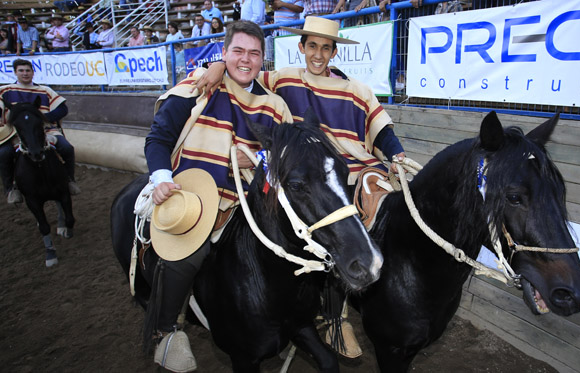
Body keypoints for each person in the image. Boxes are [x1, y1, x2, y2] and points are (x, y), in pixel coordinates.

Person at [196, 16, 406, 359]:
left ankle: (346, 315)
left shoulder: (357, 89)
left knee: (373, 215)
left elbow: (380, 128)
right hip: (306, 174)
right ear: (301, 47)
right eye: (312, 46)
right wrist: (218, 64)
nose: (318, 54)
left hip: (348, 170)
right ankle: (329, 319)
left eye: (325, 48)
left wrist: (395, 153)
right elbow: (242, 70)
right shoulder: (282, 79)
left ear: (335, 51)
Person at [142, 20, 292, 372]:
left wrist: (257, 159)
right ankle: (165, 331)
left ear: (263, 60)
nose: (245, 60)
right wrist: (162, 177)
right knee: (188, 253)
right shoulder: (199, 86)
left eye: (254, 53)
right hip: (194, 197)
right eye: (237, 51)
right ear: (223, 53)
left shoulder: (276, 105)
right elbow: (159, 137)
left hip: (249, 203)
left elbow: (287, 158)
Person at [0, 59, 81, 204]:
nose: (25, 73)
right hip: (17, 134)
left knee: (67, 148)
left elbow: (62, 108)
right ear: (15, 72)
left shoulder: (45, 90)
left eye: (28, 70)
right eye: (21, 71)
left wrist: (43, 119)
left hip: (46, 131)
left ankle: (69, 180)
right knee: (4, 153)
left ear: (32, 72)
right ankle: (11, 189)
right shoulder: (5, 90)